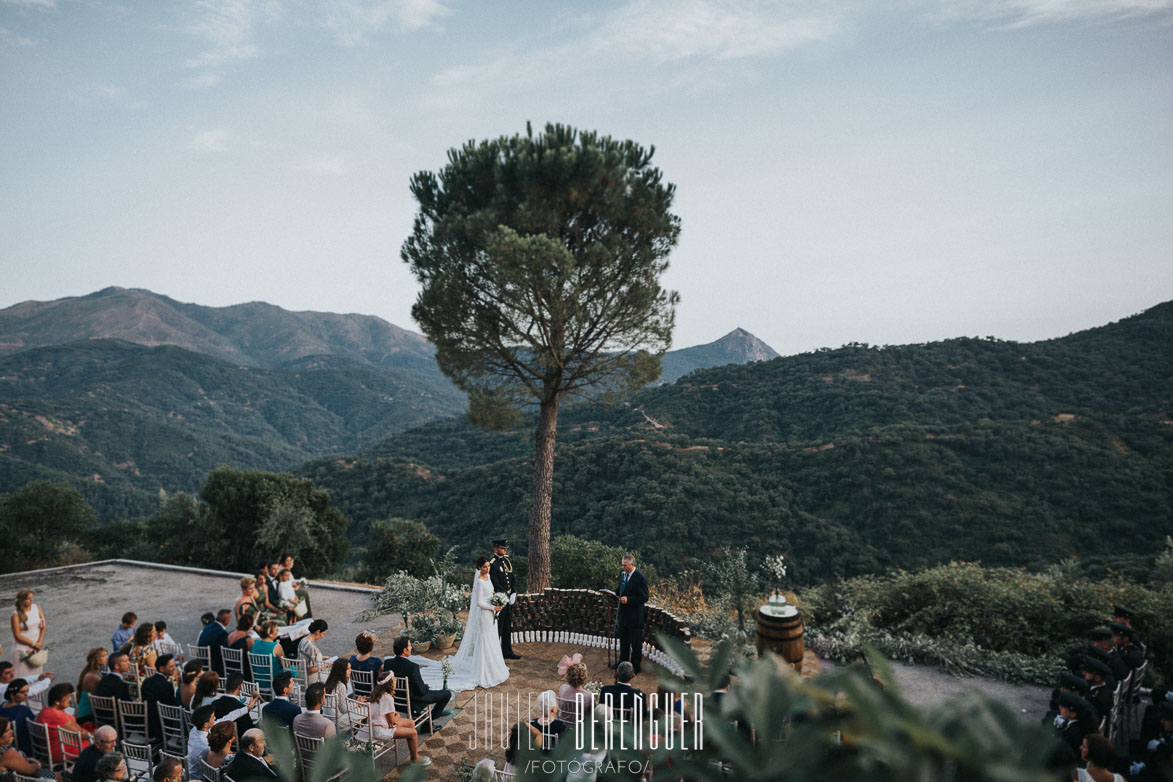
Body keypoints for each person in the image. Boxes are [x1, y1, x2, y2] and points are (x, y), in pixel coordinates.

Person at [417, 556, 509, 692]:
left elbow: (489, 596)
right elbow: (479, 603)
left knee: (492, 639)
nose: (487, 569)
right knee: (484, 640)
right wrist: (492, 607)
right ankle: (483, 672)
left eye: (488, 566)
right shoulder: (478, 582)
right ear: (479, 568)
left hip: (491, 614)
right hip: (484, 614)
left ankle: (492, 668)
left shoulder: (488, 578)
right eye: (484, 567)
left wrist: (497, 602)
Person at [366, 675, 430, 766]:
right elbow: (392, 721)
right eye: (393, 679)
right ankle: (415, 759)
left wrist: (393, 718)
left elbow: (388, 717)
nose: (396, 680)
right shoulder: (387, 697)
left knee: (411, 722)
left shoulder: (377, 694)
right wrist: (398, 715)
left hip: (379, 723)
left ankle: (413, 753)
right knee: (413, 733)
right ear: (389, 683)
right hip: (380, 729)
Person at [384, 636, 454, 719]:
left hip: (395, 701)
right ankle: (427, 725)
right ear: (404, 650)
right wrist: (425, 686)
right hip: (412, 702)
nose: (411, 647)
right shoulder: (412, 667)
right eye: (410, 645)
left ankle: (421, 719)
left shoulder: (388, 663)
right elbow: (421, 691)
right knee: (447, 694)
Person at [36, 682, 92, 760]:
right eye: (67, 697)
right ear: (56, 701)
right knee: (101, 742)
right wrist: (95, 734)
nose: (70, 699)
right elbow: (81, 734)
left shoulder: (45, 710)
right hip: (61, 752)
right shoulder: (57, 716)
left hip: (49, 750)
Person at [616, 554, 649, 675]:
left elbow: (644, 597)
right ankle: (622, 663)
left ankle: (635, 667)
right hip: (623, 615)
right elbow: (619, 588)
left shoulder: (640, 578)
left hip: (635, 616)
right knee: (624, 642)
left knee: (635, 644)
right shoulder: (622, 573)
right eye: (622, 565)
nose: (623, 567)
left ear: (632, 564)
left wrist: (629, 600)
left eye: (625, 565)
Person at [489, 538, 521, 659]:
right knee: (498, 628)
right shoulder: (492, 564)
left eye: (505, 548)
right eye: (502, 548)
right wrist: (505, 596)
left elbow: (512, 578)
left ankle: (507, 651)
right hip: (499, 600)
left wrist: (514, 592)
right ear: (495, 548)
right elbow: (495, 584)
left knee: (507, 626)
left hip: (508, 599)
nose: (504, 550)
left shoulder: (507, 561)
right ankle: (495, 655)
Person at [140, 654, 177, 741]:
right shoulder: (168, 686)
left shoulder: (146, 682)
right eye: (171, 666)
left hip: (148, 725)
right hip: (163, 728)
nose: (174, 668)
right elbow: (171, 707)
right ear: (161, 669)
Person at [10, 590, 45, 678]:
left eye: (32, 598)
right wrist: (33, 644)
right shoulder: (15, 615)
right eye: (28, 599)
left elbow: (43, 626)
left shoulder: (37, 608)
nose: (31, 600)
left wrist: (39, 643)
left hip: (36, 648)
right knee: (22, 677)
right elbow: (17, 636)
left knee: (37, 676)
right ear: (21, 600)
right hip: (22, 650)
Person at [0, 678, 35, 754]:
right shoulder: (23, 710)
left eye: (27, 691)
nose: (26, 694)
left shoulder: (2, 705)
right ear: (12, 695)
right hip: (22, 747)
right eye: (22, 692)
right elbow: (35, 725)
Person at [75, 647, 108, 727]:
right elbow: (98, 697)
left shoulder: (94, 671)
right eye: (103, 656)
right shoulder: (93, 676)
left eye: (106, 655)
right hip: (87, 714)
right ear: (97, 659)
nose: (107, 657)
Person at [250, 621, 285, 692]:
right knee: (292, 669)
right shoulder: (276, 646)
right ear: (270, 634)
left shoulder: (255, 643)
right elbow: (284, 664)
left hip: (257, 679)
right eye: (276, 630)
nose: (278, 632)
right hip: (273, 680)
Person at [196, 610, 231, 676]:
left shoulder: (206, 628)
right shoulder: (222, 632)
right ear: (226, 620)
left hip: (201, 661)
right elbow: (226, 650)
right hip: (213, 665)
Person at [185, 705, 215, 778]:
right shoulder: (205, 746)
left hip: (189, 769)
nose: (215, 718)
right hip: (198, 777)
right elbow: (210, 769)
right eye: (212, 717)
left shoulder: (194, 730)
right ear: (205, 724)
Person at [322, 658, 352, 729]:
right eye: (348, 669)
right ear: (341, 671)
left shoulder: (329, 682)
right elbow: (343, 709)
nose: (350, 671)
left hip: (327, 718)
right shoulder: (341, 685)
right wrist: (357, 704)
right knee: (364, 711)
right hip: (337, 721)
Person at [348, 631, 381, 696]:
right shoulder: (376, 662)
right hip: (372, 696)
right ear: (371, 647)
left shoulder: (352, 659)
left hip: (357, 694)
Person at [297, 619, 328, 684]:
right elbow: (310, 669)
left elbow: (306, 658)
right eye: (323, 633)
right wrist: (326, 664)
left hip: (300, 677)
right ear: (318, 632)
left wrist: (321, 658)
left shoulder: (303, 640)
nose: (322, 636)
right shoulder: (311, 647)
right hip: (310, 681)